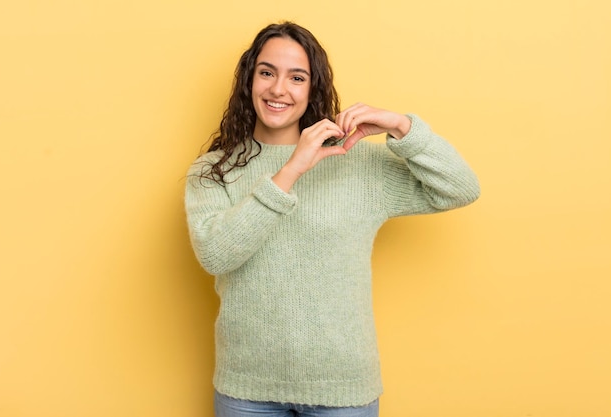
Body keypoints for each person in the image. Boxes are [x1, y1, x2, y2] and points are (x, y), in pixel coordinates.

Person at [185, 21, 480, 417]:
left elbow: (460, 188)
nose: (278, 89)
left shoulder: (355, 164)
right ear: (249, 80)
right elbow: (216, 255)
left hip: (343, 390)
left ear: (312, 89)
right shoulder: (212, 170)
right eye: (267, 72)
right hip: (247, 389)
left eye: (297, 77)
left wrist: (402, 127)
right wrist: (290, 171)